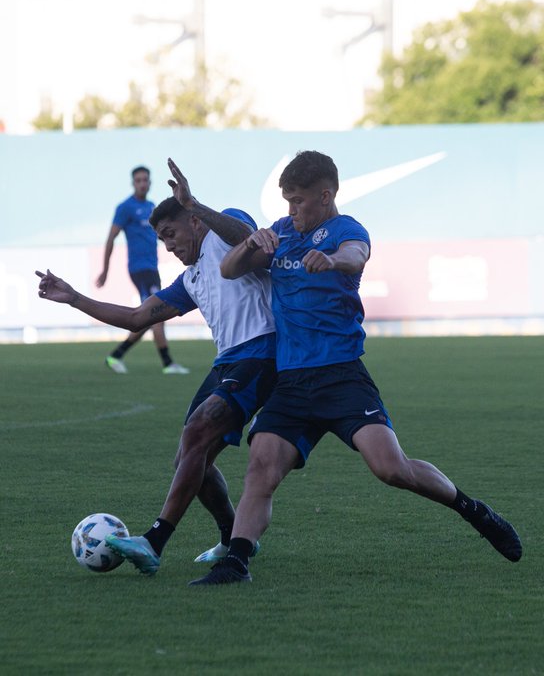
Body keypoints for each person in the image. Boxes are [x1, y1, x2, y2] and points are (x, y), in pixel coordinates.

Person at [188, 150, 522, 586]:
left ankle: (472, 509)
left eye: (299, 201)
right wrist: (252, 242)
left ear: (325, 196)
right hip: (291, 382)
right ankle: (236, 564)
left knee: (391, 469)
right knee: (261, 466)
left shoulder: (346, 229)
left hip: (342, 377)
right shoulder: (283, 233)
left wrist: (331, 261)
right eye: (287, 201)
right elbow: (229, 271)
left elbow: (356, 254)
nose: (291, 210)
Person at [36, 157, 277, 575]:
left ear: (194, 223)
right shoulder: (191, 279)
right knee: (191, 455)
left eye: (171, 234)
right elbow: (136, 318)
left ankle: (154, 541)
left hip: (262, 353)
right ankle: (230, 536)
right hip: (228, 362)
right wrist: (74, 297)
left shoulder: (223, 230)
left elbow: (250, 237)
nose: (168, 246)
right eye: (162, 240)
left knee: (198, 434)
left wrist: (195, 203)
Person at [96, 165, 189, 375]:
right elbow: (111, 237)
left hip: (152, 267)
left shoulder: (152, 207)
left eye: (145, 180)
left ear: (150, 182)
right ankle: (167, 363)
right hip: (139, 269)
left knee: (150, 314)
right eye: (138, 180)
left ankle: (116, 355)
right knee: (157, 311)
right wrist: (105, 269)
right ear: (133, 183)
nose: (142, 184)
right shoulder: (125, 208)